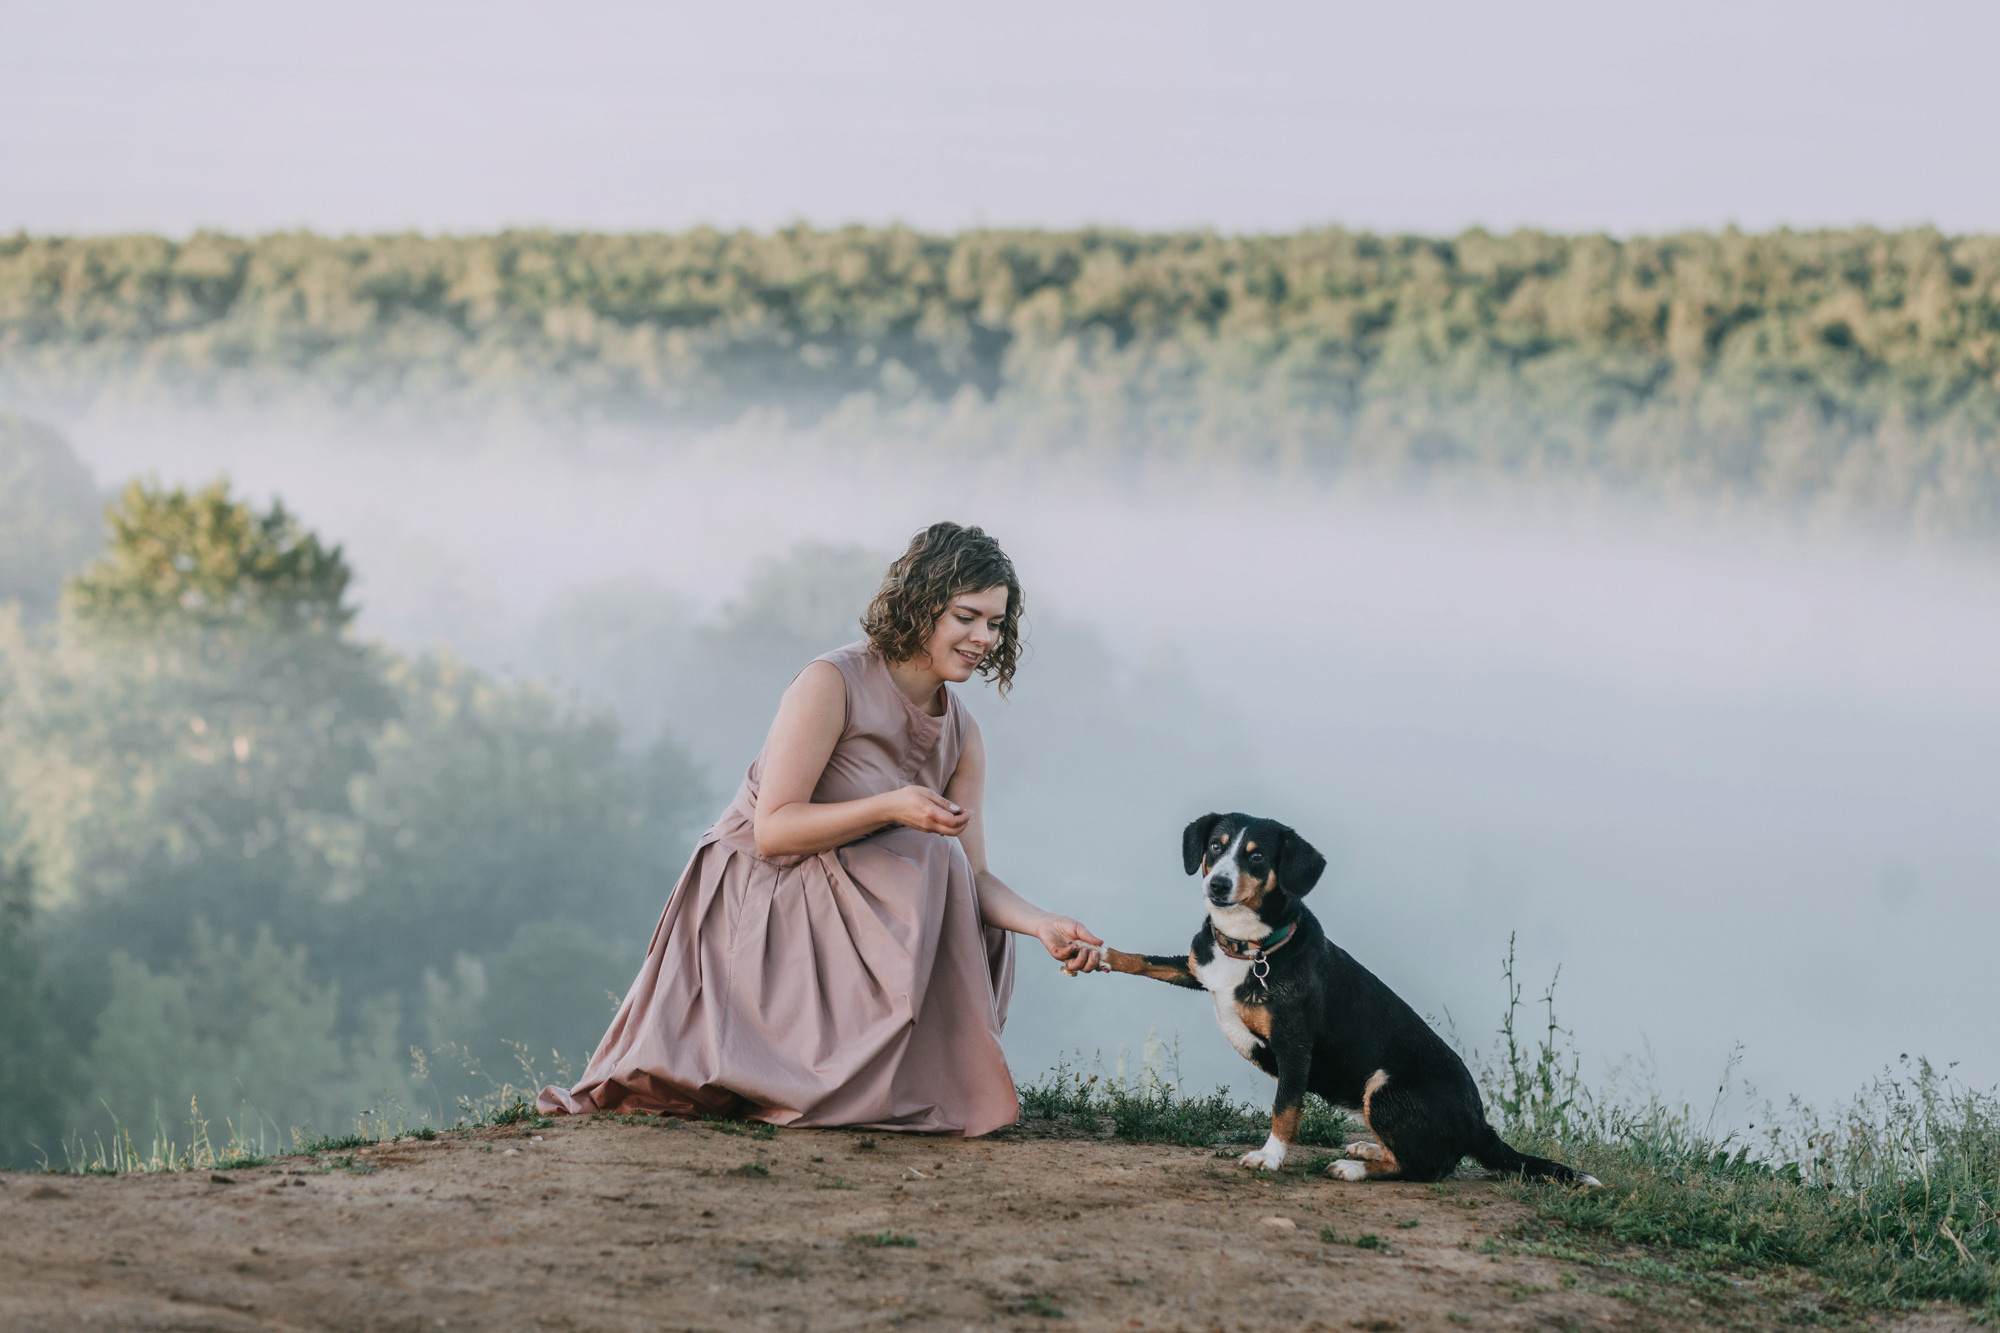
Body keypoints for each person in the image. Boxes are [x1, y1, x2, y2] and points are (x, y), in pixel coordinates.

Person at [539, 522, 1105, 1134]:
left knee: (944, 864)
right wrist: (891, 808)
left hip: (853, 894)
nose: (983, 638)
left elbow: (977, 878)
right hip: (760, 892)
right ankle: (804, 1070)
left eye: (996, 623)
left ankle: (892, 1079)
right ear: (921, 604)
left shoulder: (964, 735)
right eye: (967, 617)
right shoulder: (830, 683)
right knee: (929, 857)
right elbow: (773, 831)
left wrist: (1042, 924)